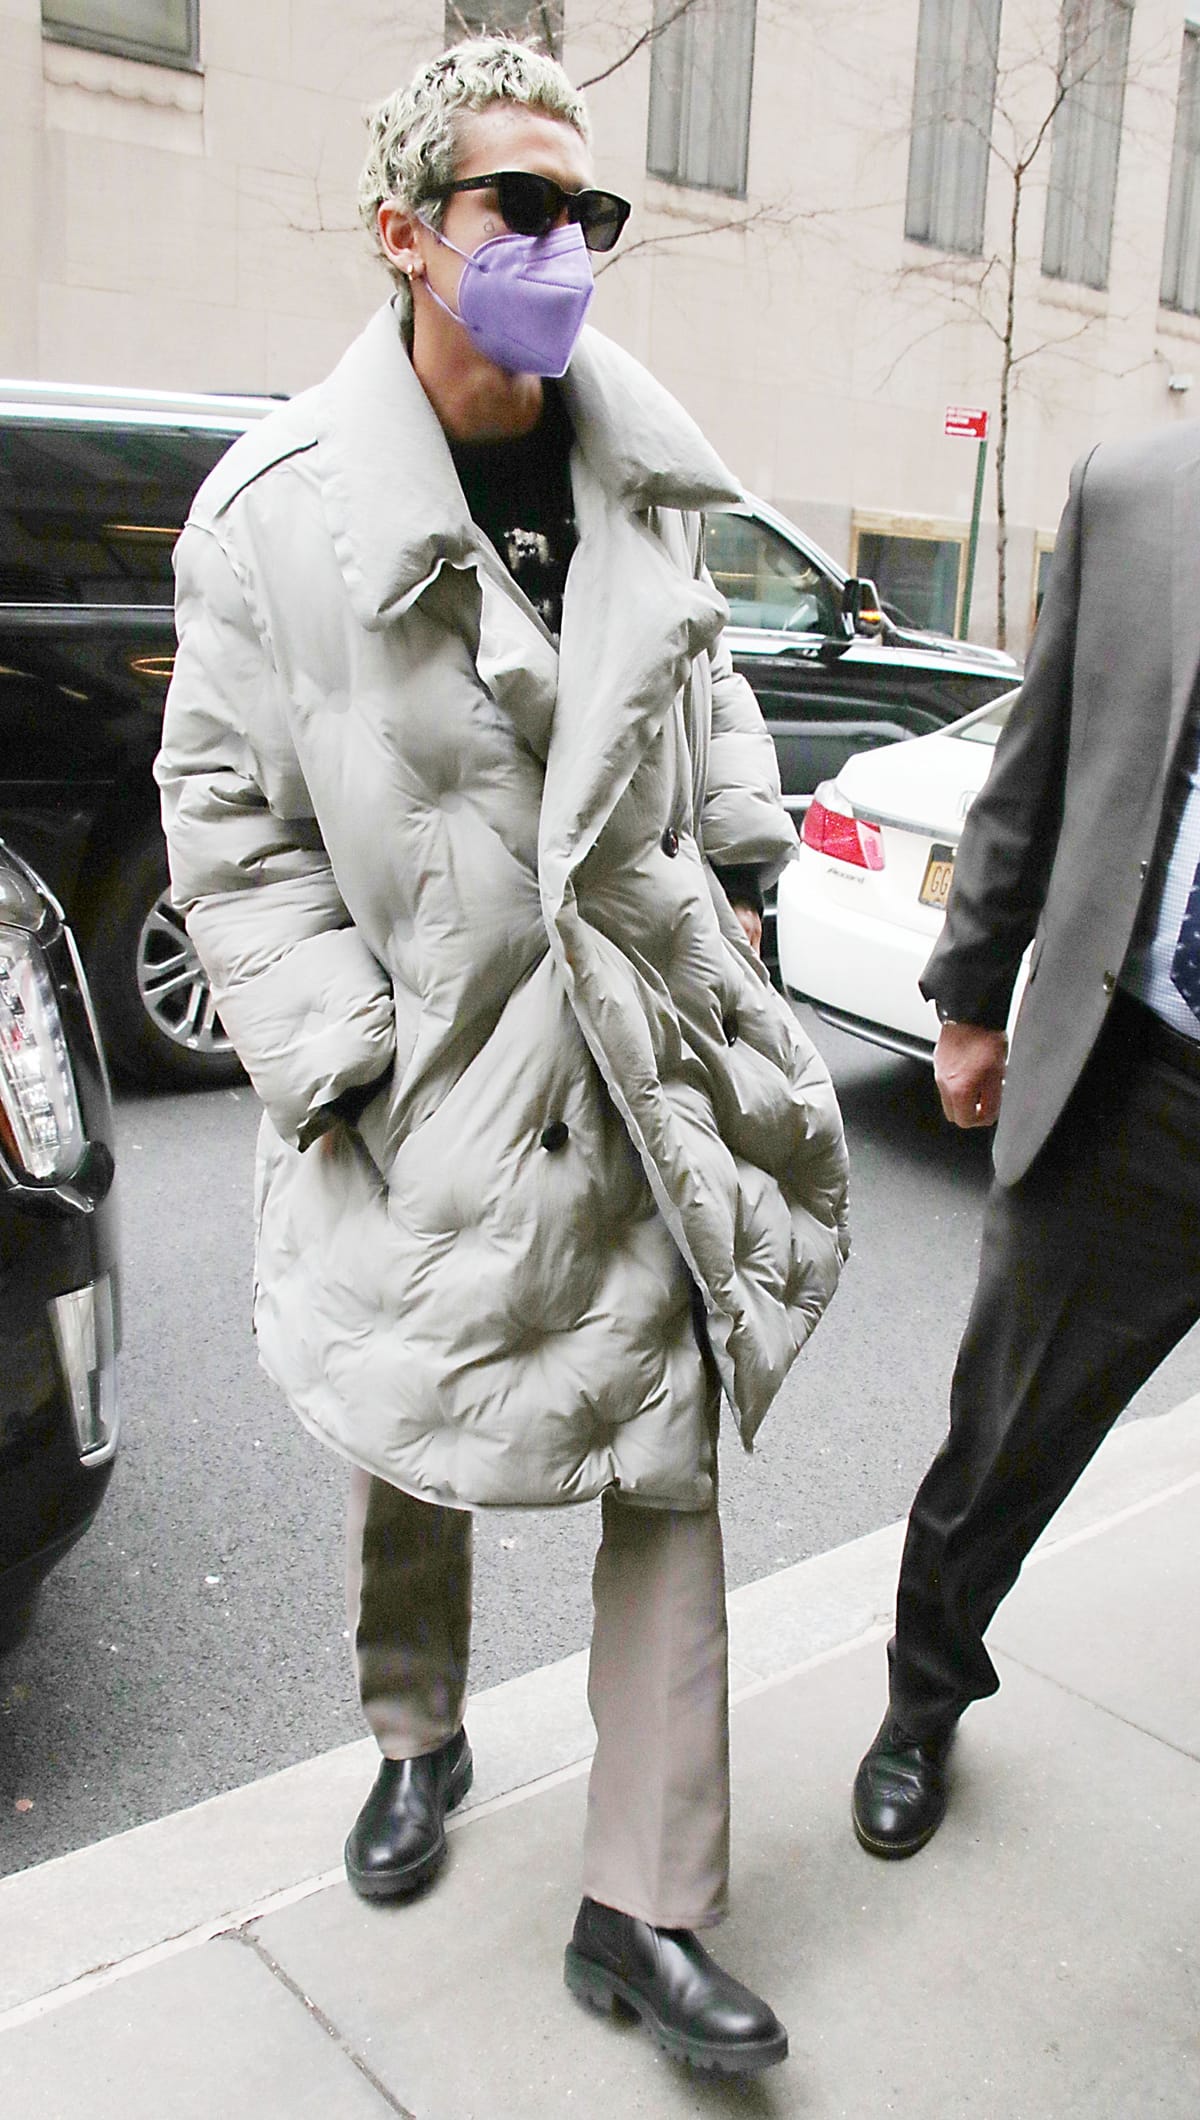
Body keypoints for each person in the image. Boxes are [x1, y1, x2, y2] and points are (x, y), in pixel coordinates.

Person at [157, 37, 848, 2076]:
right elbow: (226, 814)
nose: (565, 248)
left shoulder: (643, 462)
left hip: (635, 1044)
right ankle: (414, 1730)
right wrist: (337, 1060)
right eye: (519, 212)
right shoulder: (278, 511)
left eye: (588, 213)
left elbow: (701, 679)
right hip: (428, 1065)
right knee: (409, 1424)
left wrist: (735, 870)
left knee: (666, 1446)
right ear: (406, 236)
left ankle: (648, 1902)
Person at [851, 418, 1200, 1859]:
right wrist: (973, 994)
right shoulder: (1142, 493)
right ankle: (921, 1703)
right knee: (1005, 1439)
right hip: (1140, 1073)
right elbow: (1035, 761)